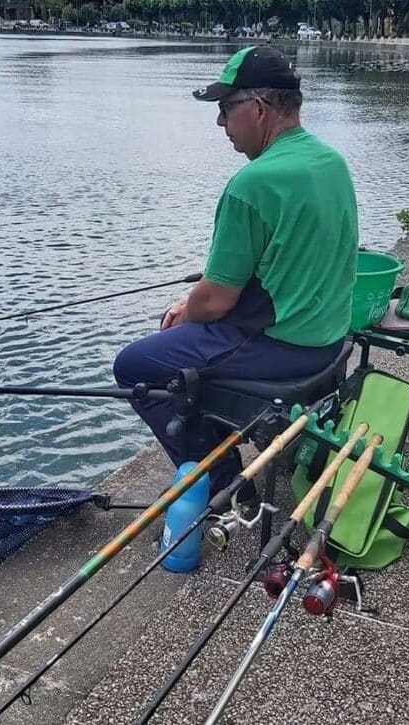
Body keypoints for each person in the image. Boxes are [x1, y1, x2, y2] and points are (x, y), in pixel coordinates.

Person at [113, 46, 359, 498]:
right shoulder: (331, 162)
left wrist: (186, 309)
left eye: (226, 109)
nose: (221, 123)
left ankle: (223, 484)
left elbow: (216, 301)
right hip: (329, 336)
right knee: (180, 349)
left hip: (284, 345)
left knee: (135, 365)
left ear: (259, 109)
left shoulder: (253, 182)